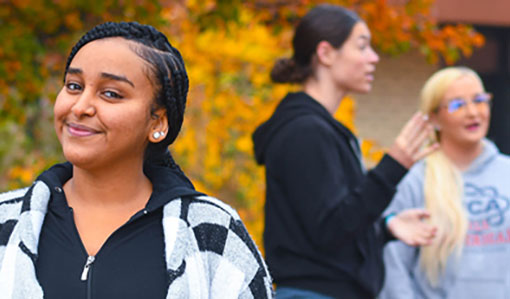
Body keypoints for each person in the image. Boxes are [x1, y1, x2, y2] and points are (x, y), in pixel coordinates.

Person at [0, 22, 272, 299]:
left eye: (111, 94)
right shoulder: (4, 223)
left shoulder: (212, 233)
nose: (80, 107)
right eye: (73, 86)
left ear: (158, 122)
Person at [252, 4, 437, 299]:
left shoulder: (319, 128)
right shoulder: (305, 131)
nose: (373, 58)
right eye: (362, 47)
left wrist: (385, 227)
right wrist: (394, 165)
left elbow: (332, 222)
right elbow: (331, 231)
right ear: (325, 53)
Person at [380, 66, 510, 299]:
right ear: (434, 118)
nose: (473, 112)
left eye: (479, 100)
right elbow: (394, 267)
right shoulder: (414, 180)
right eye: (457, 105)